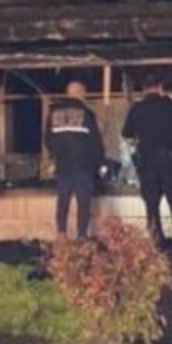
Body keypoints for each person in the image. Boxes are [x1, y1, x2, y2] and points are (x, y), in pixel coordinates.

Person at [122, 76, 172, 247]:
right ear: (160, 87)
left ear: (144, 89)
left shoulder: (137, 108)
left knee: (152, 204)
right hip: (171, 159)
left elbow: (127, 133)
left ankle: (157, 242)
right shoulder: (170, 103)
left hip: (147, 162)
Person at [45, 80, 105, 239]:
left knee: (62, 202)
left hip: (63, 166)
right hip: (83, 166)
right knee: (83, 203)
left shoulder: (54, 113)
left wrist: (56, 156)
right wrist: (100, 162)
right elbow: (95, 142)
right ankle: (81, 237)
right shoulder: (86, 114)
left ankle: (61, 235)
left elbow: (48, 139)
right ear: (81, 93)